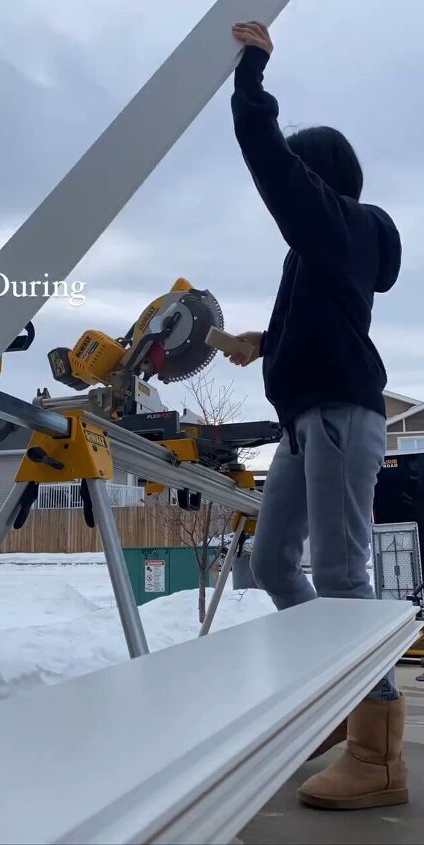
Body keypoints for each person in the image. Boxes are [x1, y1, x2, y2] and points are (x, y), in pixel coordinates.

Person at [227, 21, 407, 811]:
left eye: (301, 172)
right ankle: (341, 688)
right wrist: (257, 341)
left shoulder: (343, 224)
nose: (289, 183)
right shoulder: (322, 250)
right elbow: (319, 319)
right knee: (273, 563)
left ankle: (378, 751)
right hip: (304, 420)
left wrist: (250, 76)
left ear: (319, 176)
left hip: (339, 412)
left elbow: (269, 164)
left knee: (341, 575)